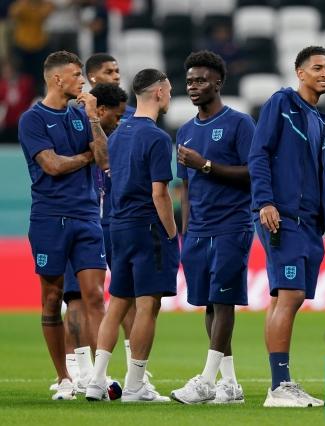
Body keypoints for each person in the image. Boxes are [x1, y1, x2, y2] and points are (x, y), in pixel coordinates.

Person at [18, 50, 109, 400]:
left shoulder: (81, 115)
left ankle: (98, 377)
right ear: (57, 79)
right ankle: (65, 377)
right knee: (52, 297)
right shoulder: (32, 119)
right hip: (49, 218)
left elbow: (104, 160)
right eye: (76, 75)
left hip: (86, 215)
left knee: (94, 295)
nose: (82, 81)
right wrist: (86, 157)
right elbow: (52, 166)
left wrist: (94, 119)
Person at [86, 68, 177, 402]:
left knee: (117, 304)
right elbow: (159, 193)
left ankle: (96, 380)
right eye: (169, 91)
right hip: (147, 227)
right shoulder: (157, 138)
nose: (170, 96)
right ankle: (136, 384)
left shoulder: (118, 134)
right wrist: (172, 233)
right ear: (158, 92)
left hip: (118, 226)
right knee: (147, 306)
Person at [248, 45, 325, 408]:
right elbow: (259, 153)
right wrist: (265, 201)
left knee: (282, 297)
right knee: (291, 295)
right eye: (318, 68)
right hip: (281, 215)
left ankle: (279, 384)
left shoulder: (319, 119)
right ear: (300, 73)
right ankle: (280, 386)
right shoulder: (281, 103)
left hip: (308, 221)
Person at [170, 51, 255, 404]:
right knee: (209, 303)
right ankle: (230, 384)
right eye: (190, 81)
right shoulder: (186, 130)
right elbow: (185, 187)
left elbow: (253, 173)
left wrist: (205, 164)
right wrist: (186, 231)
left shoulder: (240, 124)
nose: (193, 86)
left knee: (223, 301)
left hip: (231, 225)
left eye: (201, 80)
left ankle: (206, 381)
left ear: (218, 82)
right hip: (198, 231)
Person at [57, 52, 141, 393]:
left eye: (119, 70)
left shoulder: (129, 116)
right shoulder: (71, 115)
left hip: (117, 215)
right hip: (83, 213)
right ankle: (77, 372)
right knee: (75, 295)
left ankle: (136, 373)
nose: (116, 75)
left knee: (125, 294)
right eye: (109, 71)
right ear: (91, 78)